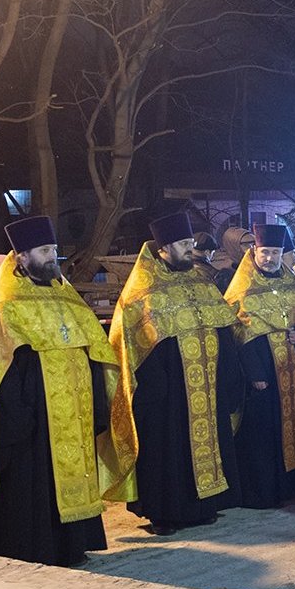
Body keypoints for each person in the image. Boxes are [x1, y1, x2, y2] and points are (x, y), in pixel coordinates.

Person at [0, 216, 136, 565]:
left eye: (55, 251)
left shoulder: (67, 299)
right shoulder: (0, 306)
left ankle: (72, 545)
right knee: (30, 486)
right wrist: (17, 415)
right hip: (31, 418)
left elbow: (92, 352)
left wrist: (96, 405)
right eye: (45, 251)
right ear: (23, 257)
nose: (52, 259)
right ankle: (31, 549)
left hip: (72, 415)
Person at [112, 211, 245, 535]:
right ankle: (166, 512)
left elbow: (222, 328)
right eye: (184, 244)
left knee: (207, 445)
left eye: (189, 243)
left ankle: (205, 505)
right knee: (168, 452)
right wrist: (157, 388)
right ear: (163, 249)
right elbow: (132, 344)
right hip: (167, 392)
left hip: (206, 385)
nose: (190, 249)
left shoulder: (201, 281)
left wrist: (228, 375)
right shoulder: (143, 290)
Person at [223, 224, 295, 506]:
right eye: (265, 252)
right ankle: (267, 491)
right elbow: (238, 336)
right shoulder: (242, 289)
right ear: (254, 251)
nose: (270, 258)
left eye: (275, 252)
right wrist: (255, 374)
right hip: (265, 375)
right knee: (264, 433)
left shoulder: (290, 283)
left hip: (294, 367)